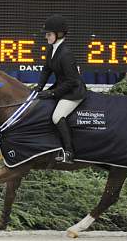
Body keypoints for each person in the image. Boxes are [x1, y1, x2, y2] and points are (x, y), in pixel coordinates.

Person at [32, 14, 87, 164]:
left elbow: (72, 81)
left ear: (59, 34)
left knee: (57, 116)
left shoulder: (66, 54)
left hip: (73, 92)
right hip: (62, 87)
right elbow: (46, 70)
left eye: (48, 34)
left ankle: (69, 152)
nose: (46, 37)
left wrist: (52, 92)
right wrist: (38, 88)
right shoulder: (52, 49)